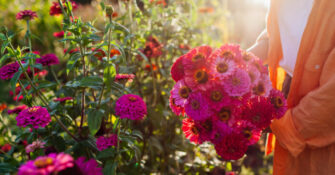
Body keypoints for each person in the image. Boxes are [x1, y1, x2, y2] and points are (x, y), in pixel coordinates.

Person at [248, 0, 335, 174]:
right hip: (292, 97)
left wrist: (285, 125)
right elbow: (288, 31)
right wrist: (237, 61)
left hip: (319, 116)